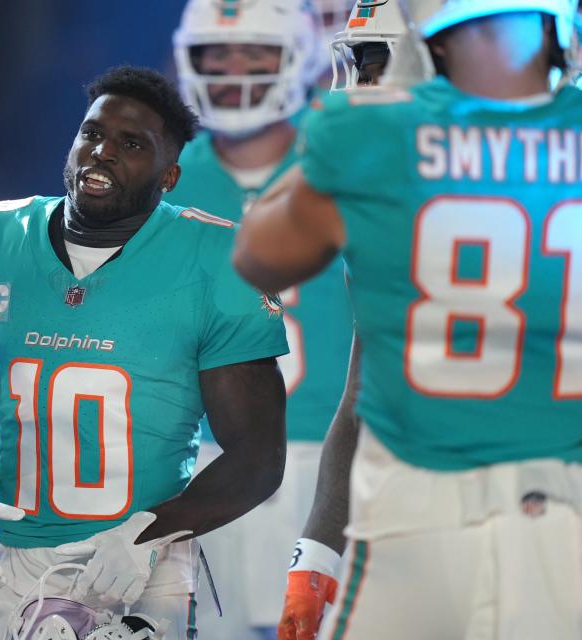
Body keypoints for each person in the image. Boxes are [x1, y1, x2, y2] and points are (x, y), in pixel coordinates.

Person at [234, 0, 582, 638]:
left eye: (373, 64)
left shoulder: (387, 169)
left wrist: (335, 150)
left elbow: (257, 257)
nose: (359, 83)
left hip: (418, 506)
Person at [0, 66, 290, 639]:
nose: (101, 152)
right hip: (12, 558)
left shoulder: (219, 260)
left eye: (131, 144)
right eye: (91, 133)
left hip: (136, 564)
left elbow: (258, 458)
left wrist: (147, 534)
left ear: (169, 176)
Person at [169, 1, 351, 637]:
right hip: (209, 458)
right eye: (217, 55)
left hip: (333, 457)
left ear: (298, 55)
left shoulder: (344, 151)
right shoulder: (164, 174)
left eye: (255, 54)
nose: (234, 71)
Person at [272, 3, 407, 639]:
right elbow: (363, 396)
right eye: (355, 66)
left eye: (375, 66)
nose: (357, 88)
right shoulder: (380, 205)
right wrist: (315, 555)